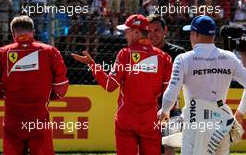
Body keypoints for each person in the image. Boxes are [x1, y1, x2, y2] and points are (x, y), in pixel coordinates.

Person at [72, 14, 173, 155]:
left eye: (127, 31)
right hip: (150, 120)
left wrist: (92, 65)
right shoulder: (165, 58)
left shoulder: (125, 54)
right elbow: (169, 93)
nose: (125, 35)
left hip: (126, 119)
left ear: (137, 32)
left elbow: (109, 85)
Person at [158, 15, 246, 155]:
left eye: (191, 33)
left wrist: (164, 111)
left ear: (195, 34)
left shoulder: (183, 59)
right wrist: (239, 113)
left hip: (195, 124)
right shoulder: (229, 57)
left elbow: (171, 93)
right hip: (222, 124)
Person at [0, 15, 69, 155]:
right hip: (39, 119)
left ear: (13, 33)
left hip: (12, 121)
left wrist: (3, 95)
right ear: (33, 31)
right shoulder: (50, 51)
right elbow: (61, 88)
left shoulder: (0, 53)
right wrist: (51, 96)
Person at [147, 14, 185, 155]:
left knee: (168, 148)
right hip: (144, 109)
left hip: (170, 109)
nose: (152, 35)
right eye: (149, 31)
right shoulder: (140, 53)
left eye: (156, 30)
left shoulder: (179, 54)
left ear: (165, 31)